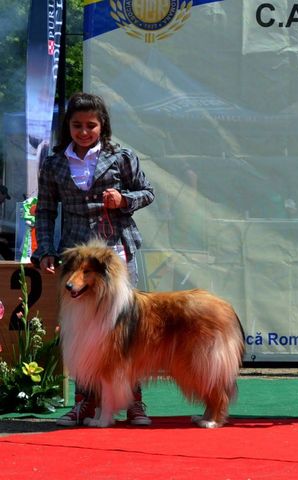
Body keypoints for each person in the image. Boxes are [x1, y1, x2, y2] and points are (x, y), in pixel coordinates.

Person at [34, 92, 155, 426]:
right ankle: (84, 404)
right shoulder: (54, 162)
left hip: (116, 255)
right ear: (67, 126)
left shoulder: (122, 156)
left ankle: (134, 403)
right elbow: (44, 210)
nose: (84, 132)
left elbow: (147, 192)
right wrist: (44, 249)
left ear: (103, 126)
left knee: (125, 331)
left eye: (91, 125)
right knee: (80, 334)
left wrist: (123, 200)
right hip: (75, 261)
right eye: (77, 125)